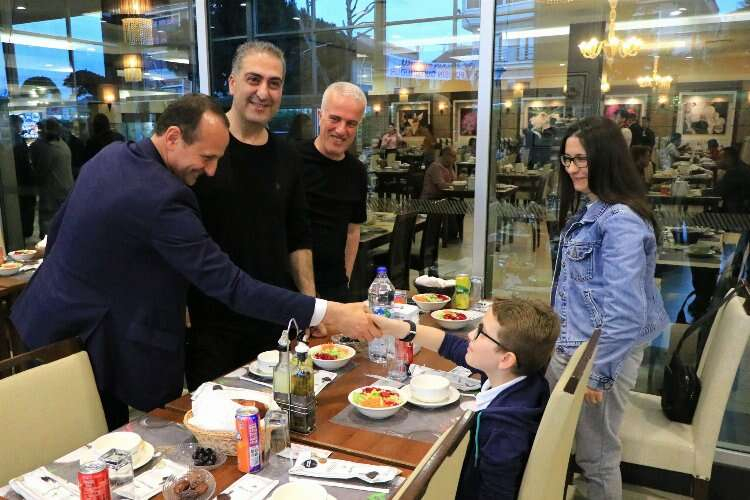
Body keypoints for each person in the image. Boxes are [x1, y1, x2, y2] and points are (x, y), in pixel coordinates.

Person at [11, 94, 378, 431]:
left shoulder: (113, 155)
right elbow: (232, 286)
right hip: (87, 340)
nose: (212, 171)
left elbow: (57, 230)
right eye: (207, 158)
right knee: (96, 448)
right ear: (173, 137)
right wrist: (328, 312)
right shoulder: (163, 197)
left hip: (44, 321)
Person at [186, 41, 318, 389]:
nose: (263, 92)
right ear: (232, 83)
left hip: (274, 317)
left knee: (278, 409)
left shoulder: (288, 156)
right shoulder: (202, 150)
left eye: (274, 83)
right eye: (254, 79)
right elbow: (175, 232)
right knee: (216, 415)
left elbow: (298, 234)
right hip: (212, 321)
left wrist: (310, 304)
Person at [549, 116, 669, 500]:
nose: (572, 169)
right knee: (584, 451)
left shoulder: (620, 220)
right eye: (568, 160)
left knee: (597, 457)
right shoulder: (597, 209)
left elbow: (626, 313)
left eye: (581, 159)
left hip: (599, 354)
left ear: (607, 158)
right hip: (580, 346)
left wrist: (598, 373)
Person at [370, 298, 560, 499]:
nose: (470, 335)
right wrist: (394, 327)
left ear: (505, 359)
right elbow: (449, 344)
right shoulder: (521, 377)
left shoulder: (503, 430)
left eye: (481, 332)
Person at [297, 82, 368, 302]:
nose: (341, 130)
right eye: (335, 119)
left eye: (351, 123)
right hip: (292, 288)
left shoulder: (357, 171)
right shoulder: (292, 159)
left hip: (335, 288)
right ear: (320, 116)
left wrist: (345, 281)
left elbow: (352, 231)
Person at [29, 118, 74, 238]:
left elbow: (41, 172)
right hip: (65, 190)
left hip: (52, 193)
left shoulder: (49, 149)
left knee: (49, 224)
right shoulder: (64, 145)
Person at [10, 115, 36, 241]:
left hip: (20, 181)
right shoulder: (16, 141)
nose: (20, 127)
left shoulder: (15, 140)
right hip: (22, 182)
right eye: (19, 125)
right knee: (25, 211)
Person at [714, 146, 750, 213]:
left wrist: (719, 176)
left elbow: (718, 192)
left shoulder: (734, 172)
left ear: (728, 159)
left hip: (736, 214)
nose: (716, 161)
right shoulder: (742, 167)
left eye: (719, 158)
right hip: (741, 210)